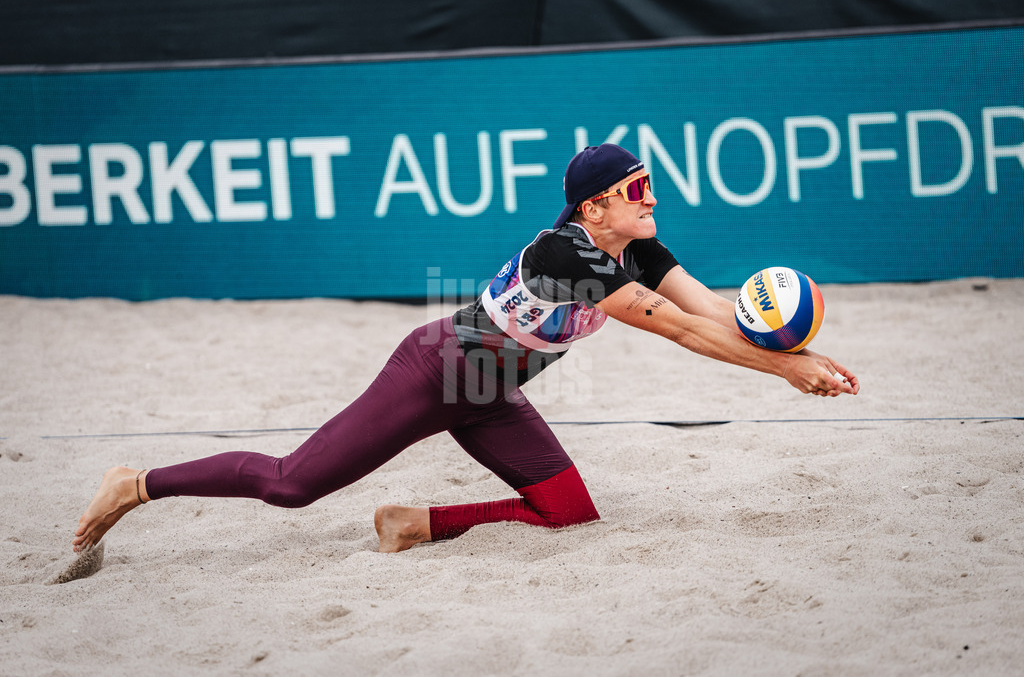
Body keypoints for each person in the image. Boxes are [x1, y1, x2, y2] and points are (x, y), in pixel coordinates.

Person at [73, 144, 859, 554]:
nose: (652, 199)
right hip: (431, 373)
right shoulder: (566, 254)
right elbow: (677, 329)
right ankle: (135, 483)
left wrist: (779, 338)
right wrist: (789, 369)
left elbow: (710, 311)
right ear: (595, 205)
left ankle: (414, 523)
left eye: (650, 185)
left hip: (491, 394)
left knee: (568, 512)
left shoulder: (639, 249)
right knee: (291, 485)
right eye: (638, 189)